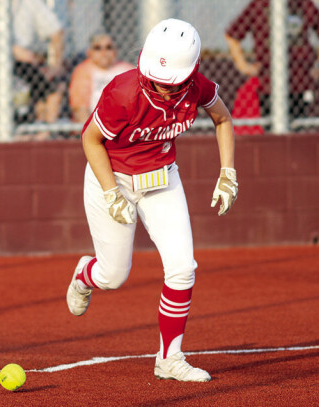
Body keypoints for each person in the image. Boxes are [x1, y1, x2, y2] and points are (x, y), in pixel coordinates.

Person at [66, 19, 238, 382]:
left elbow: (222, 119)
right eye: (156, 78)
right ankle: (85, 275)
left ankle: (169, 359)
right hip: (110, 178)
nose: (161, 87)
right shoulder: (124, 91)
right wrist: (112, 191)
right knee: (113, 276)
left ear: (190, 74)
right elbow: (90, 140)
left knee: (182, 268)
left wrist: (228, 173)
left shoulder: (197, 87)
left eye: (170, 82)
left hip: (162, 178)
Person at [0, 0, 67, 125]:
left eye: (4, 46)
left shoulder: (25, 70)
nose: (0, 51)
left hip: (24, 59)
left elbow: (56, 32)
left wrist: (53, 68)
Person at [225, 0, 319, 119]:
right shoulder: (259, 5)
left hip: (300, 81)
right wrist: (243, 65)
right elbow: (232, 35)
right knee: (271, 125)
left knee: (299, 128)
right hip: (268, 82)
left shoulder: (302, 3)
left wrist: (317, 65)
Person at [68, 33, 135, 123]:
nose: (104, 53)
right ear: (89, 52)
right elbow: (80, 107)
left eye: (108, 47)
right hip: (94, 124)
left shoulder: (127, 69)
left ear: (115, 51)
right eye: (97, 48)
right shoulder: (83, 71)